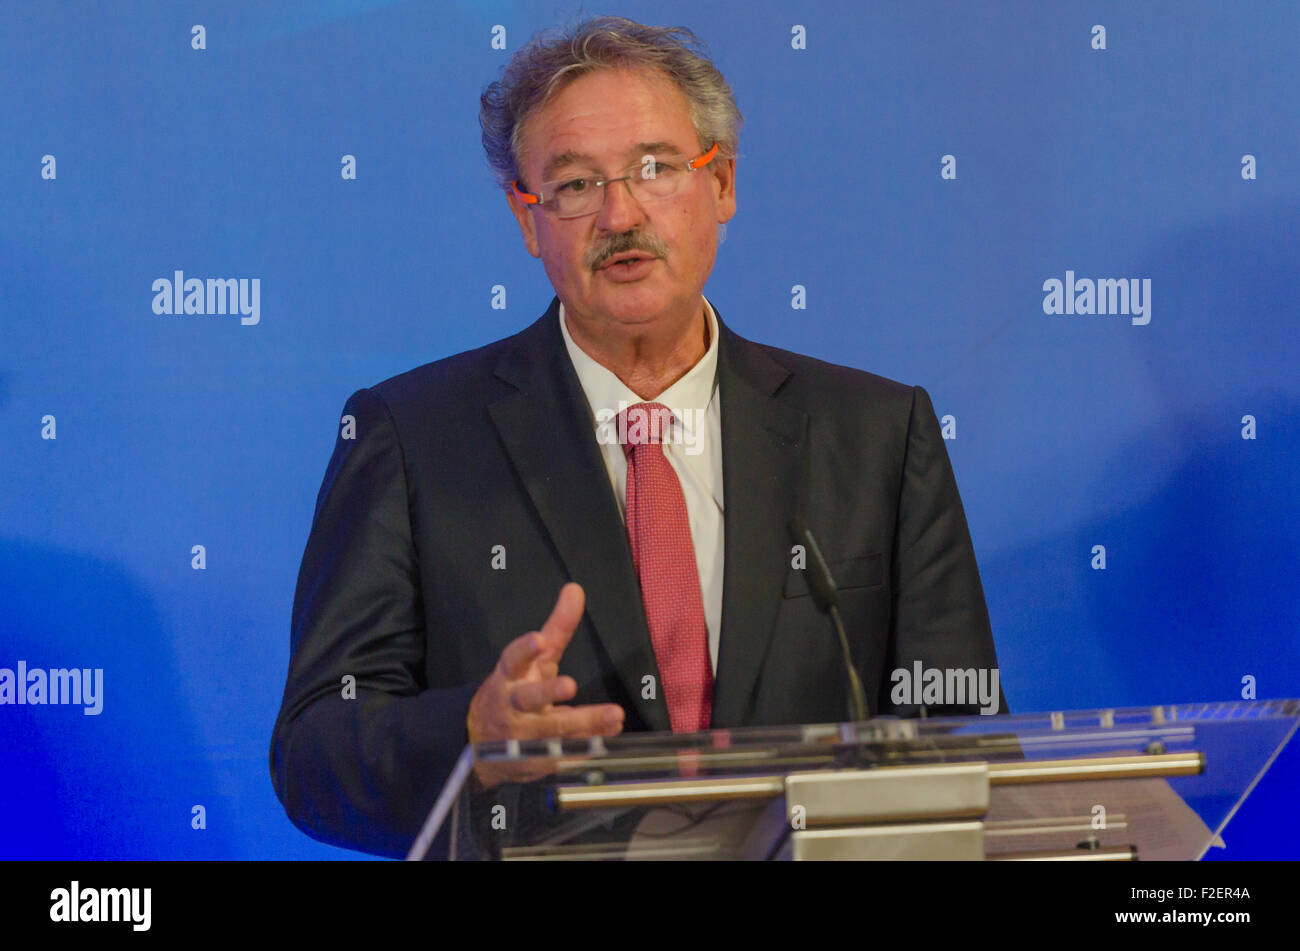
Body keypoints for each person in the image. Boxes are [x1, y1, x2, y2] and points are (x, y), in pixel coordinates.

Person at [270, 15, 1004, 859]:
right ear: (527, 220)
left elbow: (962, 733)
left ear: (721, 183)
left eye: (655, 168)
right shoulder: (410, 438)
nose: (620, 213)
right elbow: (312, 750)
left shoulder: (875, 434)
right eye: (576, 185)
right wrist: (470, 730)